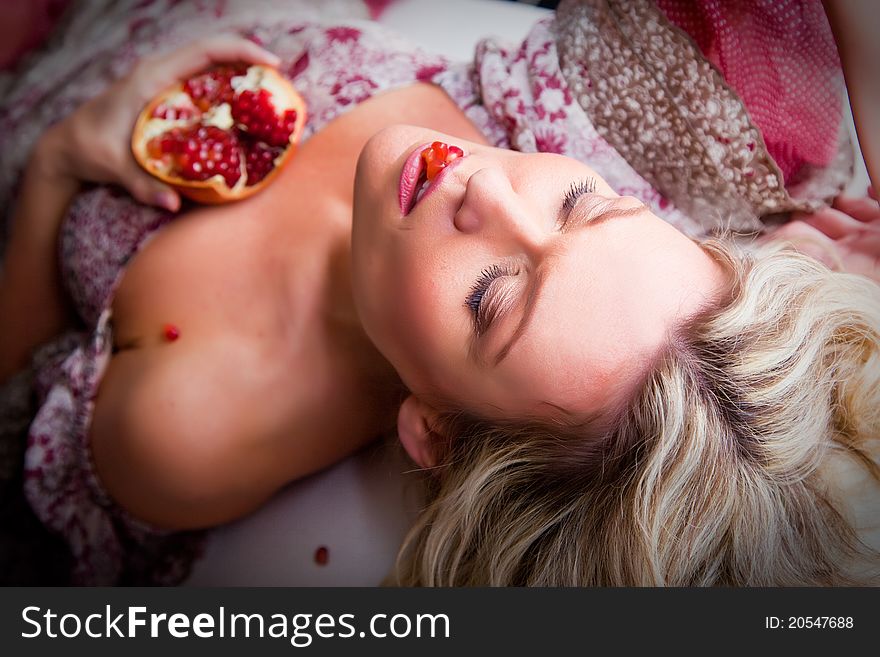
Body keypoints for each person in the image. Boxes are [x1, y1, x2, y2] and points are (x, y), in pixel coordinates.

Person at [0, 0, 878, 585]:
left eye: (492, 296)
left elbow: (10, 398)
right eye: (583, 203)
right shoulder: (580, 121)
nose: (488, 190)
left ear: (437, 429)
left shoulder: (189, 428)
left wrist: (61, 162)